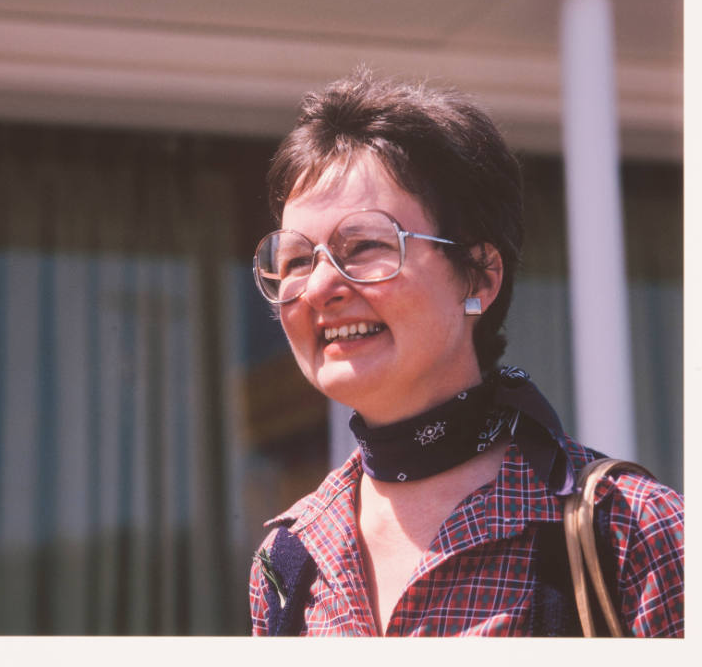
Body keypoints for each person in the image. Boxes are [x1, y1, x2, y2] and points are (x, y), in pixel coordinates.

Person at [247, 69, 683, 637]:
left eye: (368, 246)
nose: (322, 286)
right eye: (297, 260)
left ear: (478, 278)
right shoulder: (287, 562)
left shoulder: (631, 535)